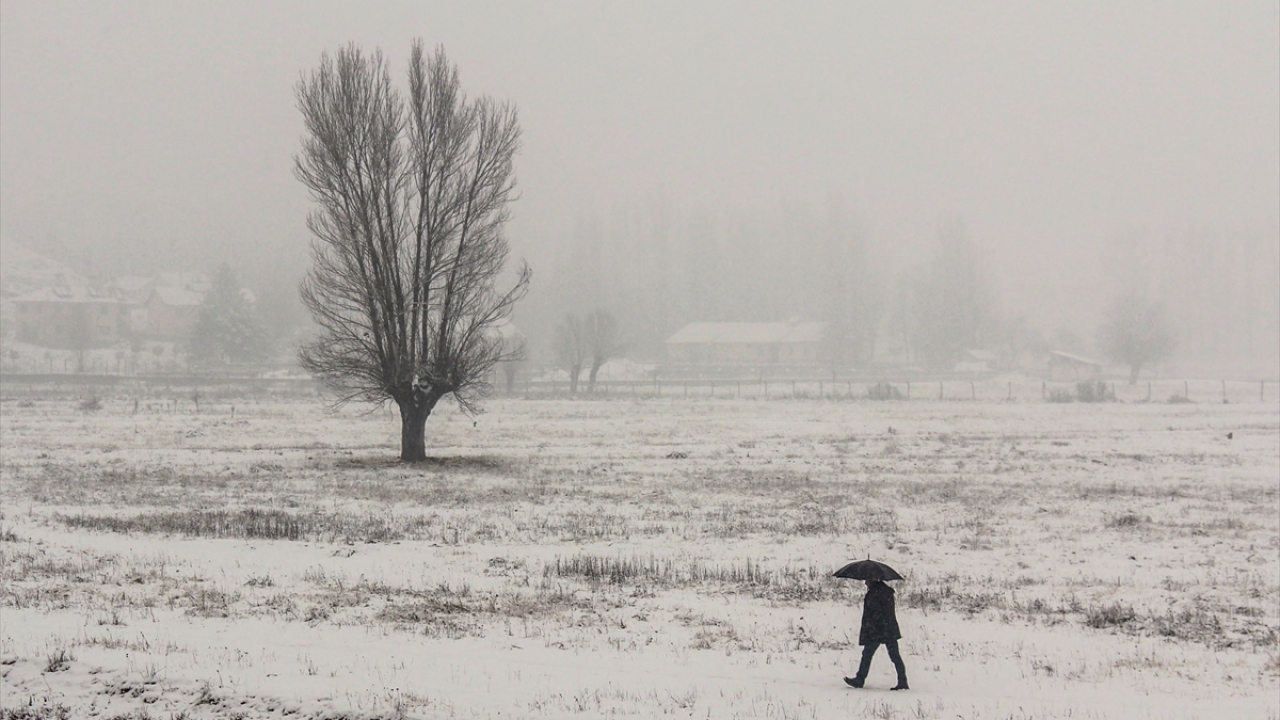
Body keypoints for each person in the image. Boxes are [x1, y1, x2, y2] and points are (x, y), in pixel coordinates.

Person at [844, 579, 908, 690]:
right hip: (888, 629)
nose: (865, 582)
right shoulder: (886, 592)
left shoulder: (875, 594)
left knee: (868, 654)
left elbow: (875, 613)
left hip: (878, 630)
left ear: (872, 580)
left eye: (867, 580)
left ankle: (860, 679)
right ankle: (902, 681)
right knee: (894, 656)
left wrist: (872, 627)